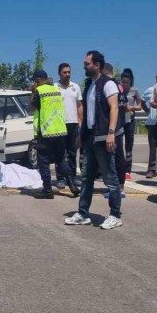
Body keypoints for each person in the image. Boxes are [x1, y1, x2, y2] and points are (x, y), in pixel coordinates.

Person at [65, 51, 123, 230]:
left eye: (87, 63)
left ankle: (115, 215)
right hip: (90, 139)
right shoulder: (90, 85)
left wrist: (111, 132)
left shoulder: (108, 84)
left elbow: (114, 108)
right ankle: (83, 214)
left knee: (110, 179)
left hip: (104, 139)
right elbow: (88, 112)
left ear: (97, 65)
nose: (84, 66)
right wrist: (81, 135)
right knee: (86, 178)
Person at [31, 69, 79, 199]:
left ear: (37, 80)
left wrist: (32, 91)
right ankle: (72, 186)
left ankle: (47, 190)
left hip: (46, 132)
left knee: (43, 161)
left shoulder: (39, 91)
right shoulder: (56, 90)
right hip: (60, 130)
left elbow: (33, 108)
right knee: (61, 160)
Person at [54, 63, 83, 190]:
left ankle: (72, 176)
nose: (67, 74)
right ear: (59, 73)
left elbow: (79, 106)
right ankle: (60, 178)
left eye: (69, 72)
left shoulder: (75, 87)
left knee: (72, 152)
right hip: (59, 124)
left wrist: (81, 122)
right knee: (60, 153)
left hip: (73, 124)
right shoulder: (54, 87)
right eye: (64, 72)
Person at [101, 63, 127, 199]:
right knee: (118, 157)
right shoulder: (119, 86)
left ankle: (118, 188)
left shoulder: (109, 85)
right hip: (120, 126)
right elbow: (124, 105)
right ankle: (119, 187)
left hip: (113, 128)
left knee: (114, 159)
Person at [120, 69, 143, 181]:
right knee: (118, 145)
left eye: (127, 83)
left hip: (130, 120)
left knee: (129, 145)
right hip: (119, 120)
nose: (125, 85)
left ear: (130, 82)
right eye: (123, 82)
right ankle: (119, 167)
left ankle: (127, 170)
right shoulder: (118, 89)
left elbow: (139, 106)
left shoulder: (135, 91)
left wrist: (131, 108)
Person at [142, 70, 157, 178]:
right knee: (153, 147)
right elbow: (142, 101)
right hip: (152, 122)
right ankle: (151, 169)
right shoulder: (150, 90)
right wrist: (147, 111)